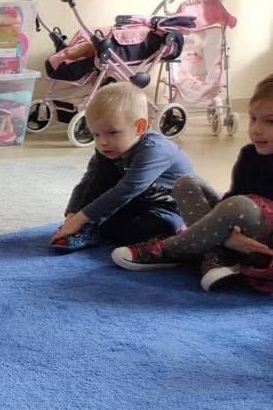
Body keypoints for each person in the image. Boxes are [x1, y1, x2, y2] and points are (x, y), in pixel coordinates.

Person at [111, 73, 273, 291]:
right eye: (253, 118)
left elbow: (239, 205)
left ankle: (168, 249)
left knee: (241, 205)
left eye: (270, 121)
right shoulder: (249, 154)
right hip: (238, 232)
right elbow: (235, 194)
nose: (257, 129)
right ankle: (216, 254)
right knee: (187, 183)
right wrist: (227, 236)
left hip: (261, 247)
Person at [52, 82, 194, 250]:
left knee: (133, 234)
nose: (102, 142)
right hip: (137, 202)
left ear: (139, 127)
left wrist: (80, 219)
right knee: (100, 200)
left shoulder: (155, 150)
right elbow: (88, 182)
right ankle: (92, 228)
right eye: (96, 134)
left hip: (169, 208)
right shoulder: (109, 149)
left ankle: (176, 234)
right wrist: (72, 214)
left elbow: (127, 189)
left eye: (112, 132)